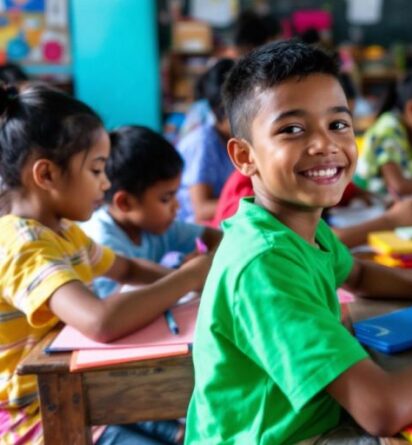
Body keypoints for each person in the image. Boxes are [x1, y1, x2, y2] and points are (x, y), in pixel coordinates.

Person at [185, 41, 412, 443]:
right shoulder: (264, 265)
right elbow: (382, 409)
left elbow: (355, 272)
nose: (325, 144)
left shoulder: (295, 223)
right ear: (244, 156)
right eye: (292, 129)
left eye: (338, 124)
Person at [0, 84, 210, 444]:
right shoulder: (22, 243)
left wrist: (193, 281)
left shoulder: (62, 232)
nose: (106, 182)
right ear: (47, 175)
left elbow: (127, 269)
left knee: (191, 429)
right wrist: (189, 276)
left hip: (71, 391)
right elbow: (99, 321)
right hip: (33, 421)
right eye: (96, 170)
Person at [82, 126, 222, 297]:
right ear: (125, 202)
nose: (176, 206)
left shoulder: (155, 225)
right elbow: (118, 305)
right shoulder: (103, 242)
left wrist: (204, 262)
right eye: (165, 198)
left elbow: (217, 238)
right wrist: (186, 276)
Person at [176, 59, 236, 223]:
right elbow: (201, 209)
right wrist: (252, 203)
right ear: (226, 110)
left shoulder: (232, 139)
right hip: (192, 228)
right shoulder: (203, 143)